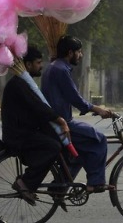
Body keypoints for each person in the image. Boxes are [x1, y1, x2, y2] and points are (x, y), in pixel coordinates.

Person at [41, 35, 114, 194]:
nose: (80, 55)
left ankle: (60, 187)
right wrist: (98, 109)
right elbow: (75, 98)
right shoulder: (60, 70)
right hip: (61, 123)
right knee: (99, 139)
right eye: (79, 52)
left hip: (55, 121)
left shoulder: (54, 67)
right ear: (69, 53)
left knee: (80, 152)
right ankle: (95, 183)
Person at [1, 45, 70, 206]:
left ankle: (58, 188)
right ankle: (25, 183)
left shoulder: (25, 83)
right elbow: (38, 107)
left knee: (58, 143)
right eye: (38, 62)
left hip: (27, 132)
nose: (41, 65)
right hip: (18, 136)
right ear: (28, 65)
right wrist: (59, 120)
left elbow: (38, 106)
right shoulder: (18, 85)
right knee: (53, 147)